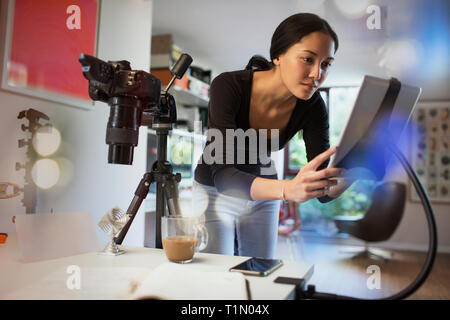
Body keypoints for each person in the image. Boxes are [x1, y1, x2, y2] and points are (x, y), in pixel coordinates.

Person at [193, 13, 352, 258]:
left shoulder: (313, 106)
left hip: (263, 193)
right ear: (277, 55)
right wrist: (288, 189)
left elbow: (323, 190)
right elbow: (224, 176)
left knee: (261, 271)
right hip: (214, 191)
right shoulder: (228, 86)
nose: (317, 74)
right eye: (308, 59)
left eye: (326, 64)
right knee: (217, 273)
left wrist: (357, 172)